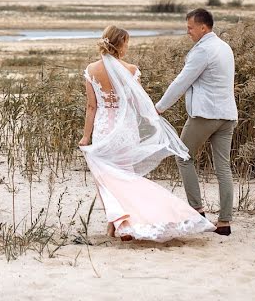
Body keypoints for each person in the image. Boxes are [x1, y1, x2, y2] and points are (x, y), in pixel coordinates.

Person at [78, 25, 214, 242]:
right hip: (125, 131)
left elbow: (91, 107)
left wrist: (86, 136)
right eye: (126, 43)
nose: (127, 47)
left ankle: (115, 225)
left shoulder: (92, 69)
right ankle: (123, 224)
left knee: (106, 180)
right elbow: (137, 104)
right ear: (120, 45)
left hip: (104, 130)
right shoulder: (130, 70)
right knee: (127, 177)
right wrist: (153, 120)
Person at [155, 8, 238, 236]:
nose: (188, 32)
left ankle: (197, 212)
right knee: (223, 168)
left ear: (203, 27)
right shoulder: (225, 47)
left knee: (183, 156)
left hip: (206, 115)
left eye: (190, 27)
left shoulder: (203, 50)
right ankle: (224, 223)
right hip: (228, 115)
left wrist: (159, 108)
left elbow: (181, 82)